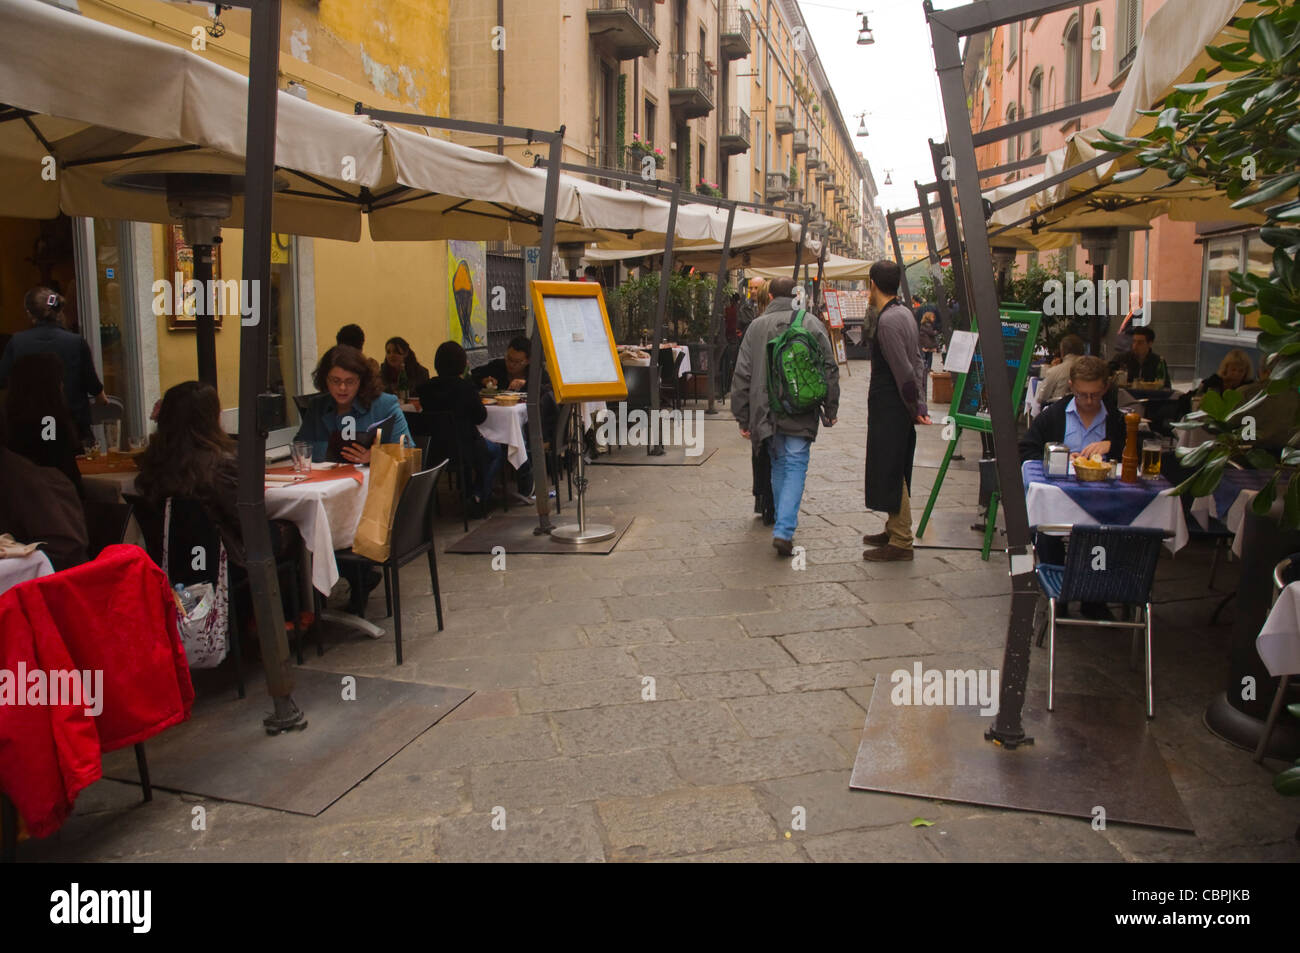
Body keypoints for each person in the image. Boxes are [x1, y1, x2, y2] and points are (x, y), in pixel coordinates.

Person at [731, 276, 840, 556]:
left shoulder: (756, 327)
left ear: (769, 298)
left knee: (779, 464)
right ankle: (783, 529)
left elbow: (742, 374)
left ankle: (783, 524)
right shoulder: (812, 323)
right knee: (794, 464)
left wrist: (743, 416)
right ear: (797, 295)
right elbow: (829, 366)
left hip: (766, 411)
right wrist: (831, 407)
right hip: (801, 408)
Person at [863, 261, 931, 562]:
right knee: (895, 464)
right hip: (898, 404)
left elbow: (903, 370)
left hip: (891, 404)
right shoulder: (905, 313)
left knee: (890, 468)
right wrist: (919, 402)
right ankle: (893, 527)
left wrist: (914, 405)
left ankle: (902, 539)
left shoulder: (889, 320)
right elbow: (918, 362)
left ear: (873, 284)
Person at [0, 287, 106, 442]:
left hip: (28, 427)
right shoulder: (76, 342)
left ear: (29, 313)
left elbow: (2, 379)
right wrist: (101, 398)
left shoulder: (17, 342)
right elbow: (92, 384)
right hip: (71, 425)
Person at [416, 341, 506, 516]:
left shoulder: (425, 389)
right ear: (461, 364)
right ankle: (479, 494)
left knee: (482, 449)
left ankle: (473, 491)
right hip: (465, 448)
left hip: (435, 450)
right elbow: (481, 417)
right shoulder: (465, 388)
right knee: (497, 451)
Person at [0, 410, 88, 572]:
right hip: (60, 505)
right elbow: (65, 458)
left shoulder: (16, 423)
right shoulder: (53, 421)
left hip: (48, 519)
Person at [295, 345, 411, 464]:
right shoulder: (317, 405)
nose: (342, 388)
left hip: (372, 480)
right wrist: (336, 452)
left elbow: (408, 451)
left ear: (361, 380)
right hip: (328, 480)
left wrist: (377, 455)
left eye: (350, 381)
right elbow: (300, 448)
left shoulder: (385, 405)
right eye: (335, 381)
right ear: (325, 379)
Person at [471, 335, 556, 497]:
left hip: (530, 426)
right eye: (509, 359)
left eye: (517, 362)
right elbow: (474, 374)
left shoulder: (535, 373)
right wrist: (485, 379)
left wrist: (526, 385)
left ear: (528, 361)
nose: (511, 364)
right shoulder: (498, 367)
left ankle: (525, 479)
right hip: (497, 421)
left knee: (520, 436)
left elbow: (549, 389)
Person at [1018, 355, 1128, 464]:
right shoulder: (1052, 416)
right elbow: (1025, 451)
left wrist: (1112, 446)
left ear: (1105, 388)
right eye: (1082, 394)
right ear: (1071, 387)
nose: (1089, 401)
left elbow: (1135, 452)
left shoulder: (1116, 420)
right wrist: (1059, 460)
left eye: (1095, 395)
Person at [4, 353, 85, 499]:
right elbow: (59, 467)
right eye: (60, 380)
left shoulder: (9, 422)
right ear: (50, 386)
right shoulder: (50, 423)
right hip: (52, 504)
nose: (63, 385)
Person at [1036, 334, 1087, 406]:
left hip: (1060, 412)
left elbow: (1041, 397)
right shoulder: (1092, 368)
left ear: (1062, 351)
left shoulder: (1055, 371)